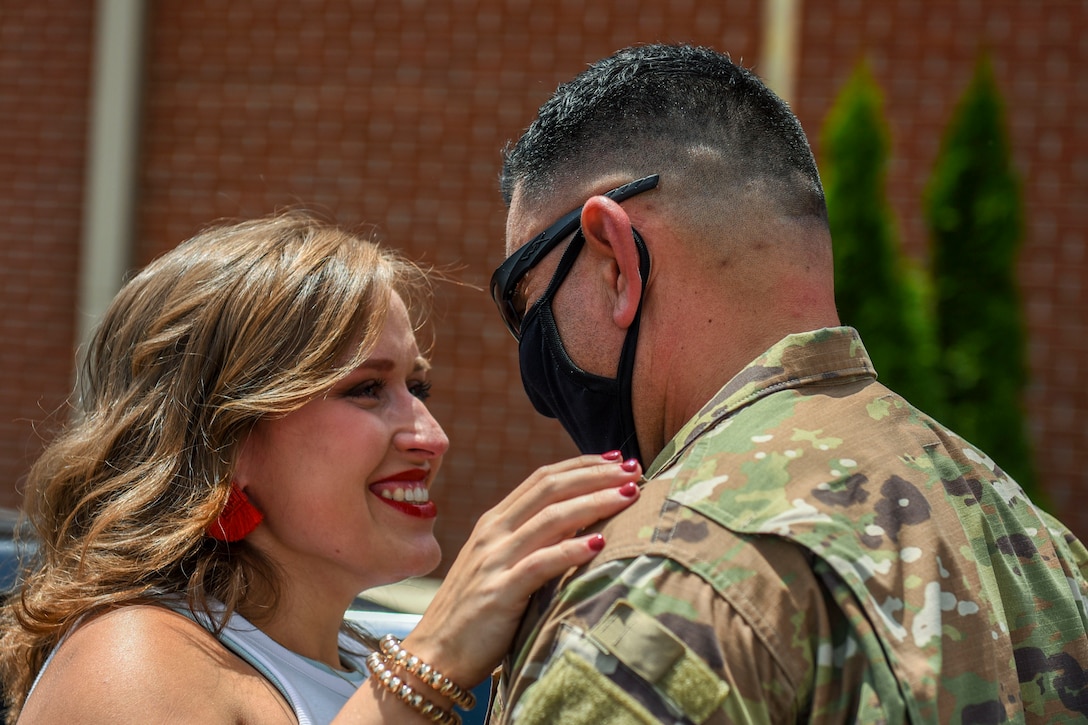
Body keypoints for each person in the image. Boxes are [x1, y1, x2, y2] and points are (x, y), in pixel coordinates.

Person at [488, 43, 1088, 723]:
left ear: (616, 261)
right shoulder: (1040, 547)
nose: (538, 379)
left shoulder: (658, 584)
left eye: (528, 304)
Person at [0, 212, 644, 724]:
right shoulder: (129, 662)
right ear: (226, 441)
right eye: (367, 389)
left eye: (417, 390)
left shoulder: (361, 656)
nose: (432, 437)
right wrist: (431, 662)